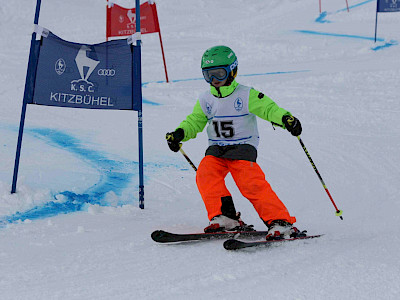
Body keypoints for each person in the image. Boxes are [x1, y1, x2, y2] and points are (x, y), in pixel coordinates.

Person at [166, 45, 302, 240]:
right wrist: (180, 134)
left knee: (250, 183)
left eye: (219, 75)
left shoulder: (246, 95)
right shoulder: (206, 99)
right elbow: (195, 120)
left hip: (242, 147)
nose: (214, 81)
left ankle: (281, 222)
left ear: (232, 71)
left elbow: (269, 109)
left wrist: (286, 119)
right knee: (205, 174)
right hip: (216, 149)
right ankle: (225, 217)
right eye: (208, 76)